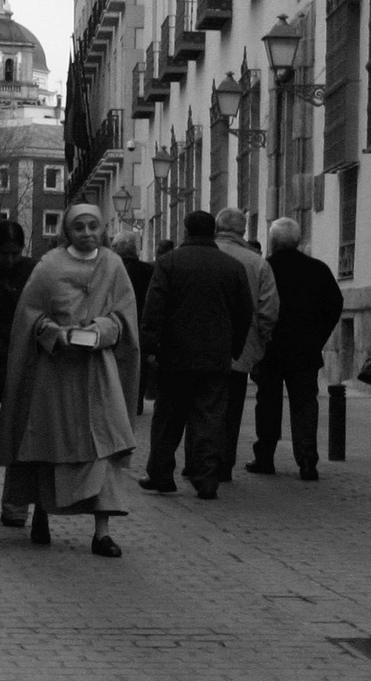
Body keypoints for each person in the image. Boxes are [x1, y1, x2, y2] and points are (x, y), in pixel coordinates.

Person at [0, 204, 139, 558]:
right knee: (48, 442)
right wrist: (53, 333)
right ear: (67, 232)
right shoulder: (49, 267)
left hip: (98, 374)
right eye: (79, 227)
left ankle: (102, 531)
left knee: (103, 445)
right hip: (56, 374)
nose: (87, 233)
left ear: (102, 230)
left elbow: (123, 316)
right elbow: (30, 316)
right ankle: (42, 512)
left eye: (93, 227)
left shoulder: (113, 265)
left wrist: (102, 330)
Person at [139, 211, 254, 500]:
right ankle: (206, 479)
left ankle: (161, 474)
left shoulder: (168, 263)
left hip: (175, 356)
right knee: (210, 418)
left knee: (168, 417)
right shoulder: (233, 267)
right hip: (216, 357)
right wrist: (234, 348)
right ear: (213, 231)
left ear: (186, 230)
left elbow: (154, 308)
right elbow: (244, 312)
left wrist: (150, 347)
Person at [249, 217, 343, 481]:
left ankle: (265, 457)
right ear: (298, 241)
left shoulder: (265, 268)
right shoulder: (317, 269)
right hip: (304, 351)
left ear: (273, 242)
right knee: (305, 406)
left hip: (270, 349)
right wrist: (317, 338)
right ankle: (307, 461)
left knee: (267, 404)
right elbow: (334, 305)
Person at [214, 208, 279, 481]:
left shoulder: (200, 255)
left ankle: (199, 461)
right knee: (231, 411)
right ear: (243, 233)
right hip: (240, 349)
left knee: (201, 408)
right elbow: (269, 309)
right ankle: (224, 463)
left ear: (217, 227)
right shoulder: (257, 263)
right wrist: (260, 340)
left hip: (199, 349)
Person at [0, 219, 36, 526]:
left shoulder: (33, 270)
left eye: (16, 253)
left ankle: (15, 506)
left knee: (19, 433)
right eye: (4, 253)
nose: (11, 259)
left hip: (20, 359)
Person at [111, 232, 155, 411]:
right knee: (140, 363)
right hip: (142, 321)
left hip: (118, 321)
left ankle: (119, 400)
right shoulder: (148, 269)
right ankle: (136, 400)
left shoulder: (113, 270)